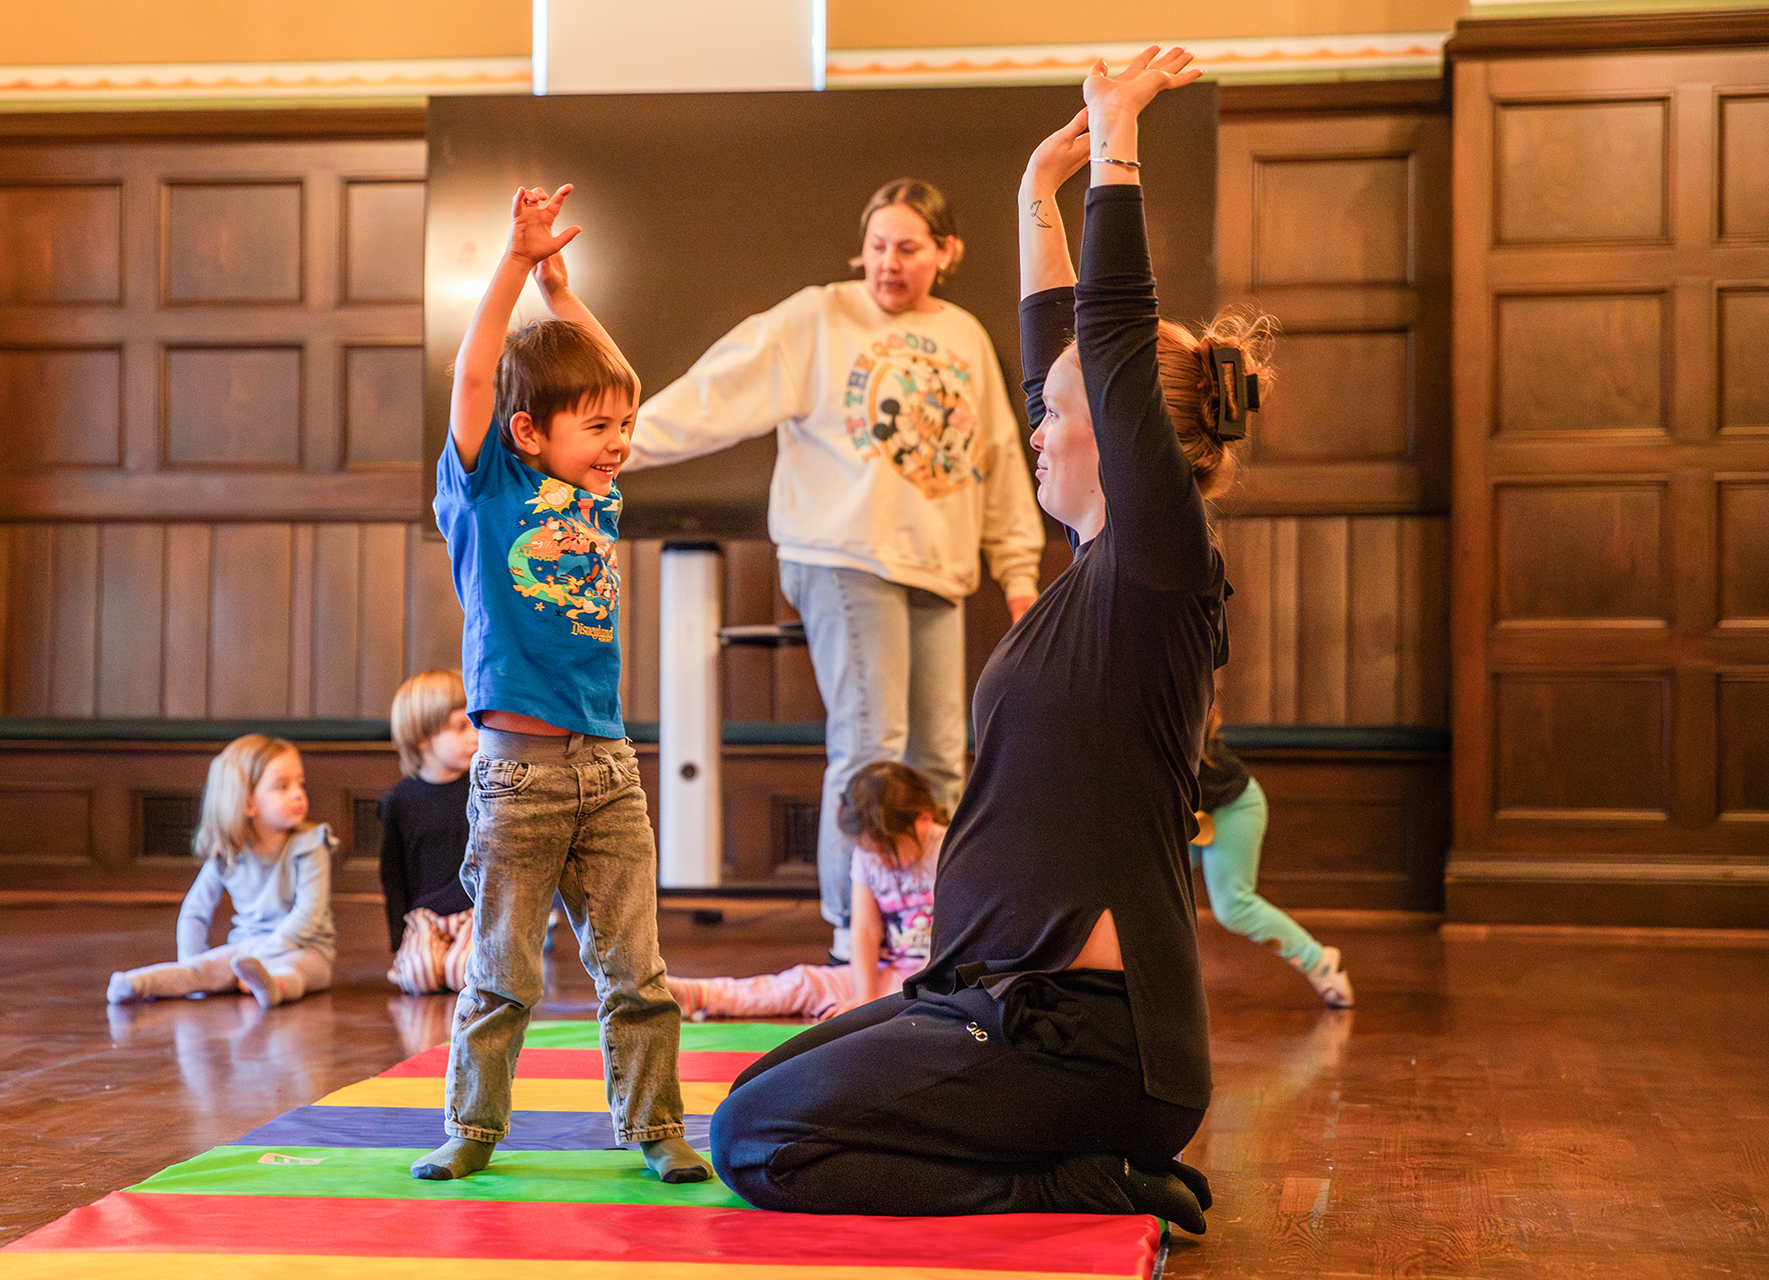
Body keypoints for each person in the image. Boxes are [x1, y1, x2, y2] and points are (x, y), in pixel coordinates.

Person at [708, 49, 1267, 1231]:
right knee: (761, 1090)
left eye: (1056, 414)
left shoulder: (1161, 573)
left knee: (759, 1140)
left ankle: (1080, 1183)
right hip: (987, 994)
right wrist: (1032, 195)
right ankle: (1064, 1162)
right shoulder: (1096, 576)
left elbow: (1106, 348)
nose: (1036, 424)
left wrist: (1117, 139)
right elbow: (1064, 350)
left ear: (1119, 443)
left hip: (1087, 1038)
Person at [627, 179, 1045, 962]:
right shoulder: (819, 316)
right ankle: (848, 932)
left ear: (946, 255)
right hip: (841, 555)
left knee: (940, 757)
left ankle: (933, 926)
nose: (888, 263)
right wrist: (624, 445)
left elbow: (995, 461)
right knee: (870, 742)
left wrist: (1018, 572)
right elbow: (717, 393)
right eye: (878, 245)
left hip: (939, 567)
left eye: (909, 248)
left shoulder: (962, 334)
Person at [415, 182, 706, 1186]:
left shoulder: (600, 491)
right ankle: (474, 1125)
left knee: (638, 972)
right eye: (600, 426)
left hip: (609, 770)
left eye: (625, 426)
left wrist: (565, 293)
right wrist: (513, 265)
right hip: (520, 777)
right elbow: (474, 369)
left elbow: (616, 375)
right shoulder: (486, 488)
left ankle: (655, 1124)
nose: (620, 440)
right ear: (530, 430)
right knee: (502, 971)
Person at [668, 762, 944, 1022]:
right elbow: (865, 930)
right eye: (871, 852)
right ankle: (704, 995)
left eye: (886, 850)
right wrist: (865, 996)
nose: (879, 861)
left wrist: (877, 1000)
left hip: (936, 981)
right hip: (889, 975)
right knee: (806, 982)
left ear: (923, 818)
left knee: (911, 1000)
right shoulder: (866, 856)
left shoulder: (948, 848)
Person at [107, 735, 336, 1011]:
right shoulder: (227, 853)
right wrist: (191, 962)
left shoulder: (310, 845)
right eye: (282, 786)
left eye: (300, 784)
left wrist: (262, 956)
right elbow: (195, 911)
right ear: (247, 803)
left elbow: (308, 914)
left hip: (304, 948)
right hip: (247, 952)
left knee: (297, 970)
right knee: (205, 969)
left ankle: (272, 987)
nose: (298, 793)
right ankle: (139, 984)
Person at [1193, 706, 1354, 1008]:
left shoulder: (1170, 716)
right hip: (1198, 811)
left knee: (1234, 906)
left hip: (1234, 806)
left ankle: (1320, 962)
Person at [379, 669, 478, 996]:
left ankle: (456, 958)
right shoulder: (399, 802)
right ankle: (418, 958)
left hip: (473, 912)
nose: (475, 736)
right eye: (460, 727)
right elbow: (393, 876)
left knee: (459, 972)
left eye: (475, 723)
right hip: (426, 917)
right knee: (420, 977)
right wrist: (398, 937)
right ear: (422, 738)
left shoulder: (482, 788)